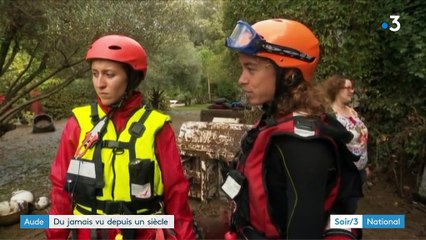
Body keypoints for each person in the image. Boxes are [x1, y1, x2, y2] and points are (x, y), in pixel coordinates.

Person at [222, 19, 363, 239]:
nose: (242, 80)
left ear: (289, 75)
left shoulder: (303, 146)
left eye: (251, 68)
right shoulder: (275, 120)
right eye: (242, 68)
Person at [46, 35, 196, 240]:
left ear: (131, 78)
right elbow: (60, 189)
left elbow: (176, 193)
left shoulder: (157, 127)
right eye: (95, 74)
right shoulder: (78, 124)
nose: (100, 84)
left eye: (109, 74)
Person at [323, 75, 369, 214]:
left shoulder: (352, 111)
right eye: (348, 88)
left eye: (352, 88)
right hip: (343, 173)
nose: (352, 91)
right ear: (336, 89)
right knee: (340, 210)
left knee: (351, 208)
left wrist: (366, 165)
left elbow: (362, 138)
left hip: (358, 171)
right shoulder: (330, 115)